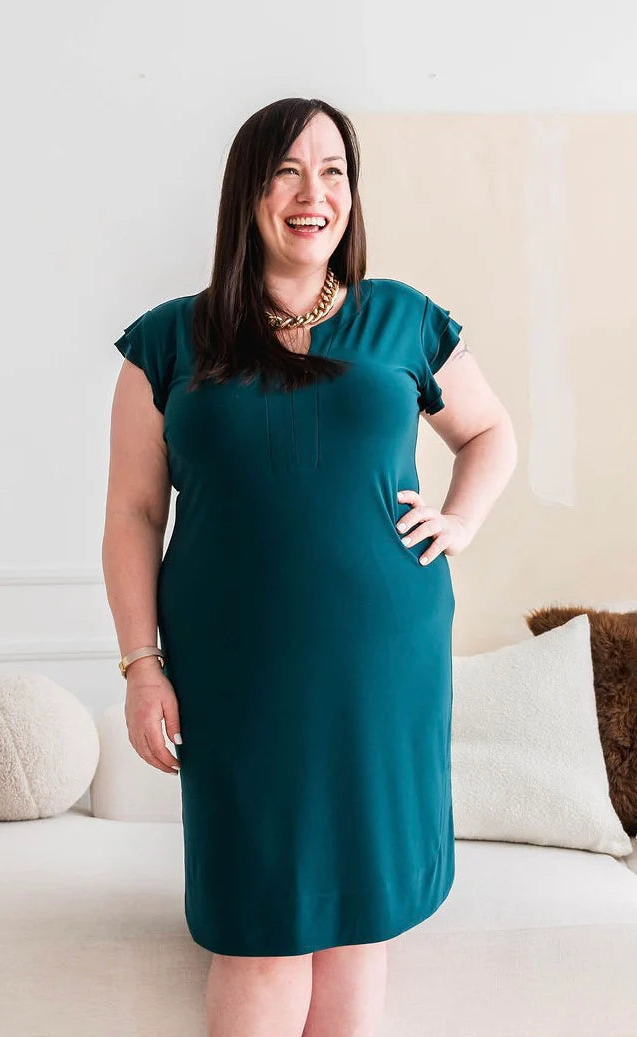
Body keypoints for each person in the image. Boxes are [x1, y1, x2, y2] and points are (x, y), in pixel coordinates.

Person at [102, 97, 517, 1037]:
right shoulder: (168, 341)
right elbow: (132, 513)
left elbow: (491, 431)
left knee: (357, 923)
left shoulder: (402, 319)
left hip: (383, 665)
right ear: (247, 191)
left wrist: (459, 519)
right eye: (287, 171)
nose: (312, 193)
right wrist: (140, 664)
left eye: (333, 171)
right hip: (236, 673)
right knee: (258, 928)